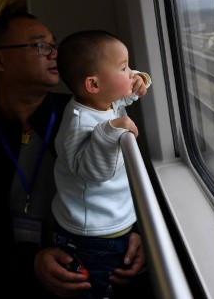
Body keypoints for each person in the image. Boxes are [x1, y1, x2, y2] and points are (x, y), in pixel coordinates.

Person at [0, 13, 150, 299]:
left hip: (97, 260)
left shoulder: (86, 115)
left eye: (53, 44)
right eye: (39, 45)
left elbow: (125, 179)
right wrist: (28, 263)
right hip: (12, 284)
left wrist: (132, 232)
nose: (54, 53)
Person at [52, 30, 152, 299]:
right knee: (99, 290)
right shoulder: (79, 122)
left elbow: (125, 93)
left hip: (109, 221)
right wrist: (109, 133)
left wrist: (139, 80)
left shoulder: (103, 100)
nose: (130, 72)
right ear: (93, 85)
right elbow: (94, 172)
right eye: (124, 67)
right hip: (92, 234)